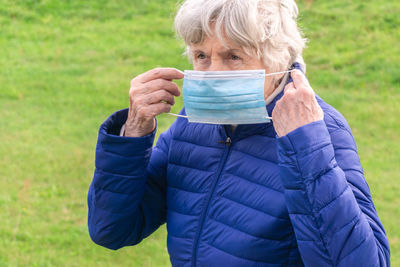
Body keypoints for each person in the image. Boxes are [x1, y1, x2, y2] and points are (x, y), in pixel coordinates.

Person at [87, 0, 390, 266]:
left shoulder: (318, 128)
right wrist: (134, 132)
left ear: (277, 59)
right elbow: (111, 229)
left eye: (233, 57)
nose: (213, 73)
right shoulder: (193, 125)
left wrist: (306, 147)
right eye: (201, 56)